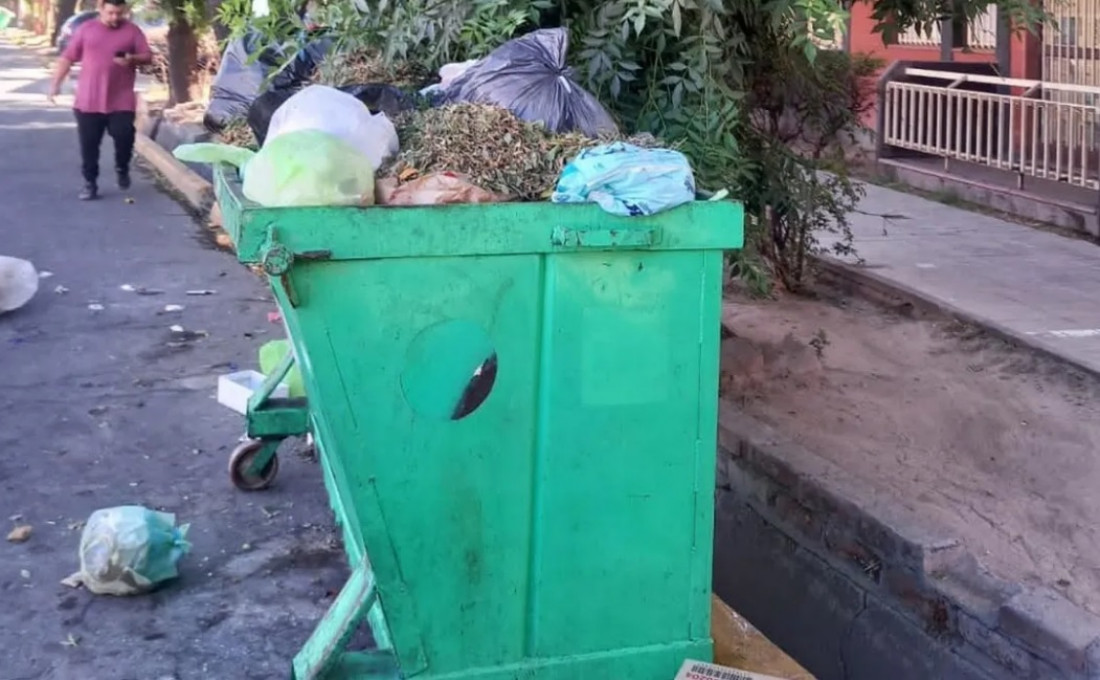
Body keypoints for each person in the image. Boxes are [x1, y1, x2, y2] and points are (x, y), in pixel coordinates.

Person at [48, 0, 152, 200]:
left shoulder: (132, 31)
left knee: (124, 135)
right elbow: (67, 58)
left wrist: (131, 58)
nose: (115, 18)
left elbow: (148, 56)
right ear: (100, 9)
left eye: (119, 13)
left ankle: (122, 166)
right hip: (88, 101)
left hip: (120, 99)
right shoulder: (86, 30)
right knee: (89, 145)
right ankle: (90, 183)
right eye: (111, 13)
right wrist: (55, 86)